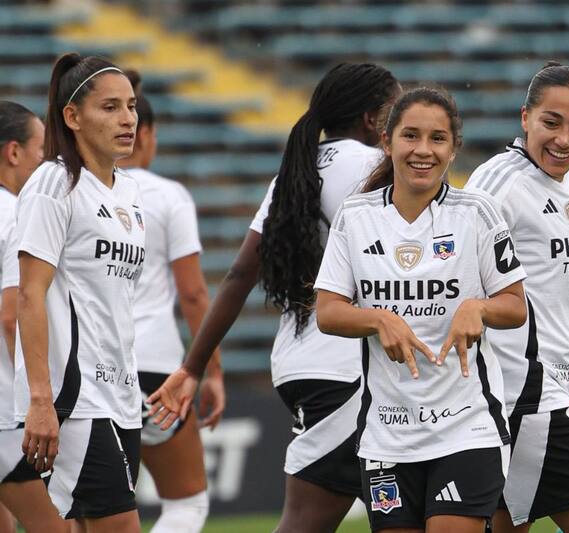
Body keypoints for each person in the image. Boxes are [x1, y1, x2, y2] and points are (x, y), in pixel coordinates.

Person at [146, 62, 400, 532]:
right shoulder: (374, 167)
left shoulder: (297, 169)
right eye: (396, 112)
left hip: (299, 363)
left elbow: (241, 272)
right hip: (352, 371)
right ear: (372, 119)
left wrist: (193, 367)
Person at [313, 86, 526, 533]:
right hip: (387, 435)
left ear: (454, 149)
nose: (423, 150)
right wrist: (378, 318)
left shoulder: (477, 212)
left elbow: (514, 306)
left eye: (437, 139)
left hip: (467, 429)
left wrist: (477, 309)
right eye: (410, 136)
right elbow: (328, 311)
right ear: (387, 142)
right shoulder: (356, 216)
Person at [465, 61, 569, 533]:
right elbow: (461, 284)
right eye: (551, 123)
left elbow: (563, 292)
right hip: (522, 396)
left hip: (550, 385)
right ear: (525, 118)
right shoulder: (498, 185)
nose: (565, 139)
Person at [13, 53, 143, 532]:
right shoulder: (55, 181)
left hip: (123, 396)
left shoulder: (128, 192)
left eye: (131, 105)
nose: (127, 118)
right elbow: (30, 294)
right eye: (110, 107)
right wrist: (41, 400)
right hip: (77, 398)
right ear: (72, 116)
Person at [115, 70, 224, 533]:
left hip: (93, 367)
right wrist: (211, 371)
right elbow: (194, 293)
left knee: (91, 510)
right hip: (156, 366)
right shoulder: (167, 196)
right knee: (187, 502)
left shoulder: (77, 189)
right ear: (146, 134)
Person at [0, 101, 68, 533]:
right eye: (41, 149)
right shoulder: (14, 211)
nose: (46, 161)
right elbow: (11, 312)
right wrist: (35, 399)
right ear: (13, 152)